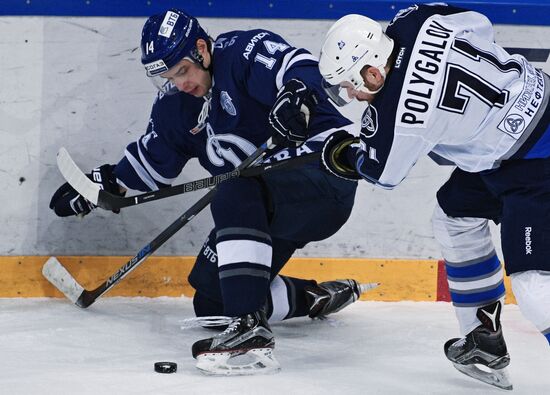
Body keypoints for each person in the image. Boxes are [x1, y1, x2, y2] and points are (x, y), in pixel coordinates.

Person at [49, 8, 372, 376]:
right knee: (211, 298)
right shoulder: (178, 105)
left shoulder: (242, 52)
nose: (180, 82)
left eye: (183, 70)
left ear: (201, 49)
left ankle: (249, 329)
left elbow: (299, 66)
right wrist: (103, 185)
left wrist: (296, 95)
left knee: (232, 188)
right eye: (169, 77)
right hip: (267, 207)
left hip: (322, 175)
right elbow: (152, 163)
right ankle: (315, 298)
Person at [314, 3, 550, 390]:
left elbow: (381, 173)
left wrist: (340, 154)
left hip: (536, 163)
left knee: (536, 289)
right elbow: (481, 24)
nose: (353, 95)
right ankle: (482, 338)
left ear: (373, 71)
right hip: (517, 134)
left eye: (351, 84)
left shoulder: (398, 116)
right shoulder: (414, 19)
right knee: (454, 214)